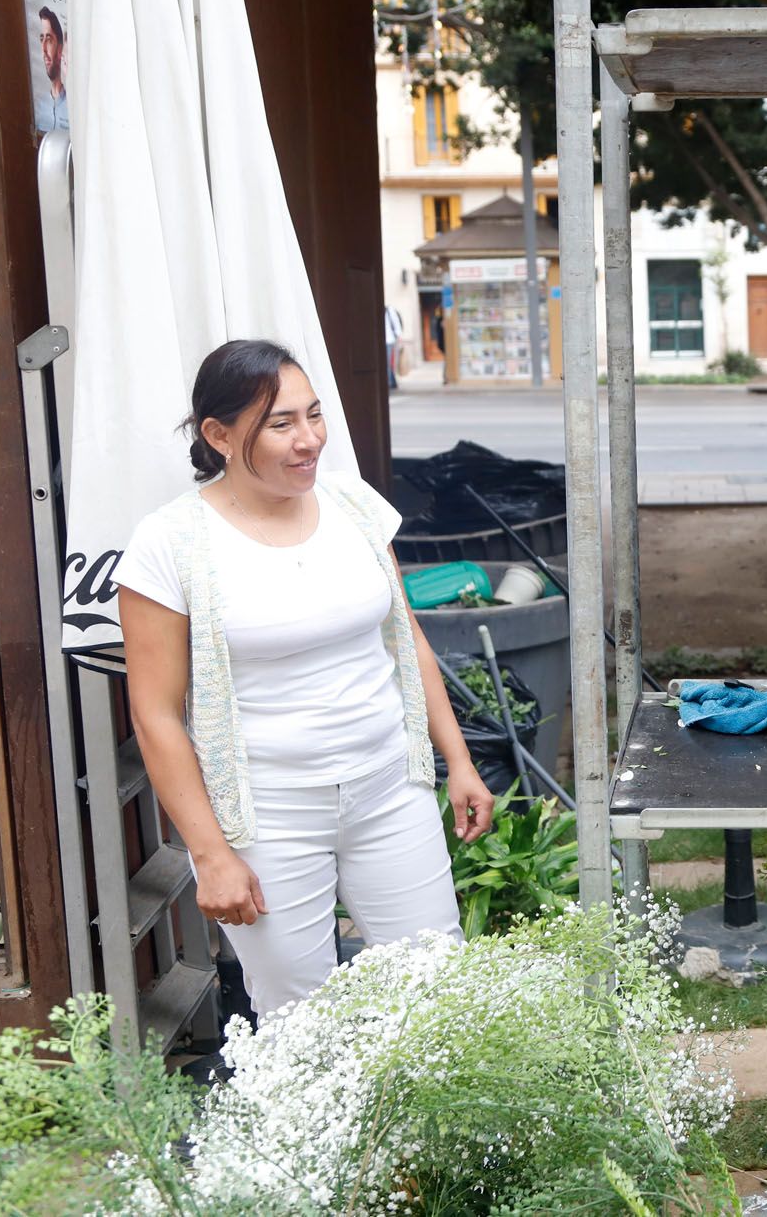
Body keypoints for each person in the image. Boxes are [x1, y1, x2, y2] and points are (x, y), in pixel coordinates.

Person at [116, 340, 494, 1019]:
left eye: (314, 415)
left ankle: (422, 1131)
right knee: (300, 1020)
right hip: (269, 817)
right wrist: (211, 853)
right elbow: (156, 715)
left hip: (389, 790)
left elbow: (406, 640)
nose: (310, 439)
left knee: (437, 995)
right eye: (282, 422)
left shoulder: (355, 506)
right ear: (219, 435)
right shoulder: (169, 543)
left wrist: (457, 760)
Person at [32, 6, 69, 134]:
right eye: (41, 39)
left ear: (60, 48)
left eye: (48, 40)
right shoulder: (38, 106)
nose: (43, 49)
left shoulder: (73, 106)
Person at [384, 305, 404, 390]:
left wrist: (399, 337)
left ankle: (388, 383)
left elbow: (396, 324)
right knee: (387, 363)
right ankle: (392, 382)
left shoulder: (389, 310)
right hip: (385, 340)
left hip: (389, 340)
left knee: (388, 363)